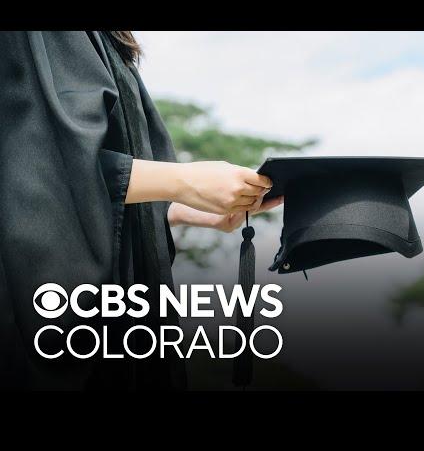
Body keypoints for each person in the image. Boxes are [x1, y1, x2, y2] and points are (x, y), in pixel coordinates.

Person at [0, 31, 283, 390]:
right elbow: (42, 172)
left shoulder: (106, 40)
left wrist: (184, 208)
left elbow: (109, 184)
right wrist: (183, 181)